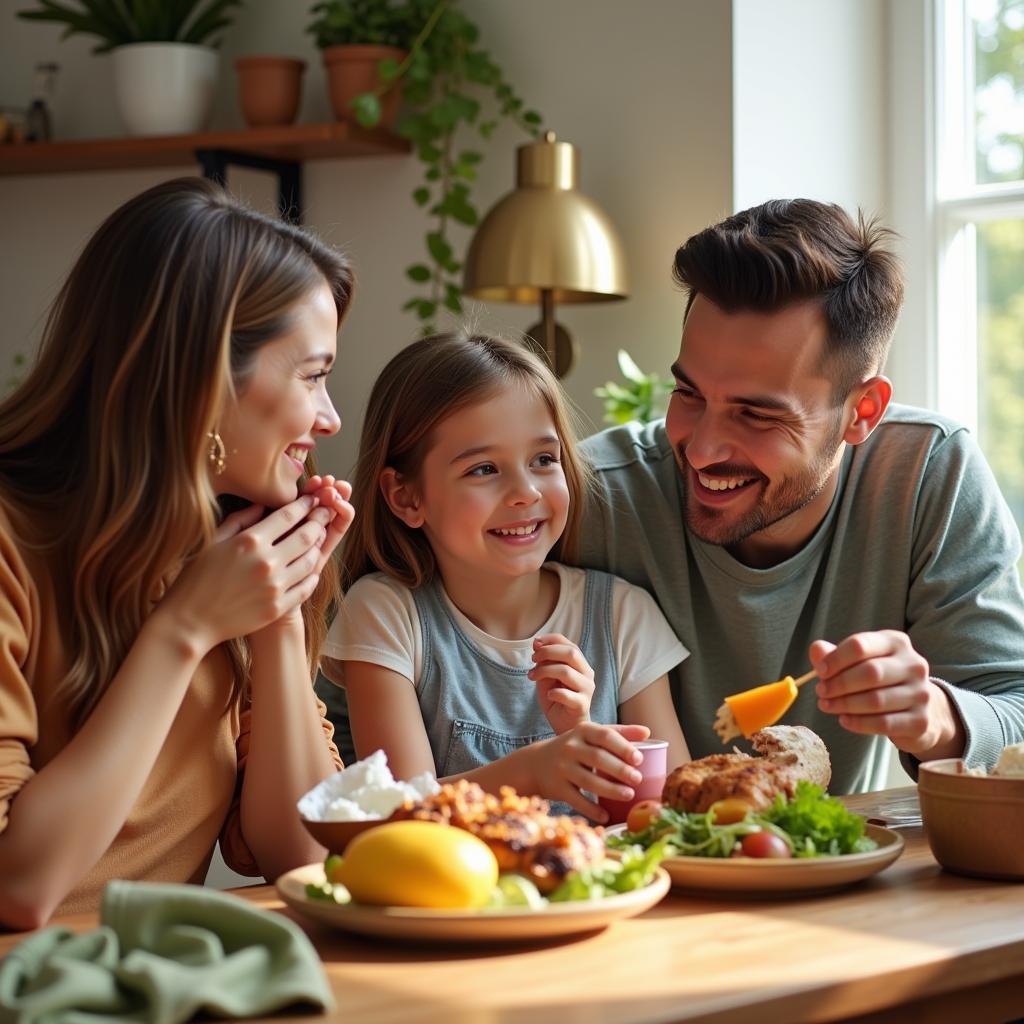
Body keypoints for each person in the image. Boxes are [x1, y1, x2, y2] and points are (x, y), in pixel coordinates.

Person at [0, 177, 357, 928]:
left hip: (158, 979)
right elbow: (19, 888)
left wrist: (277, 618)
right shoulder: (14, 543)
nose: (329, 417)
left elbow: (303, 857)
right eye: (314, 376)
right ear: (202, 384)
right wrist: (184, 628)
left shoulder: (230, 545)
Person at [577, 198, 1024, 794]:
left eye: (757, 414)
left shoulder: (925, 475)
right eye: (689, 394)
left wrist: (937, 717)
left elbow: (1015, 711)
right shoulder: (589, 498)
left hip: (835, 875)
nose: (703, 448)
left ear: (862, 412)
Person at [321, 332, 689, 821]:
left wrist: (580, 731)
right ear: (407, 497)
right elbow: (393, 814)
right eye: (484, 469)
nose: (524, 492)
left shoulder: (624, 614)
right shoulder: (384, 613)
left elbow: (670, 814)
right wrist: (530, 772)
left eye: (543, 459)